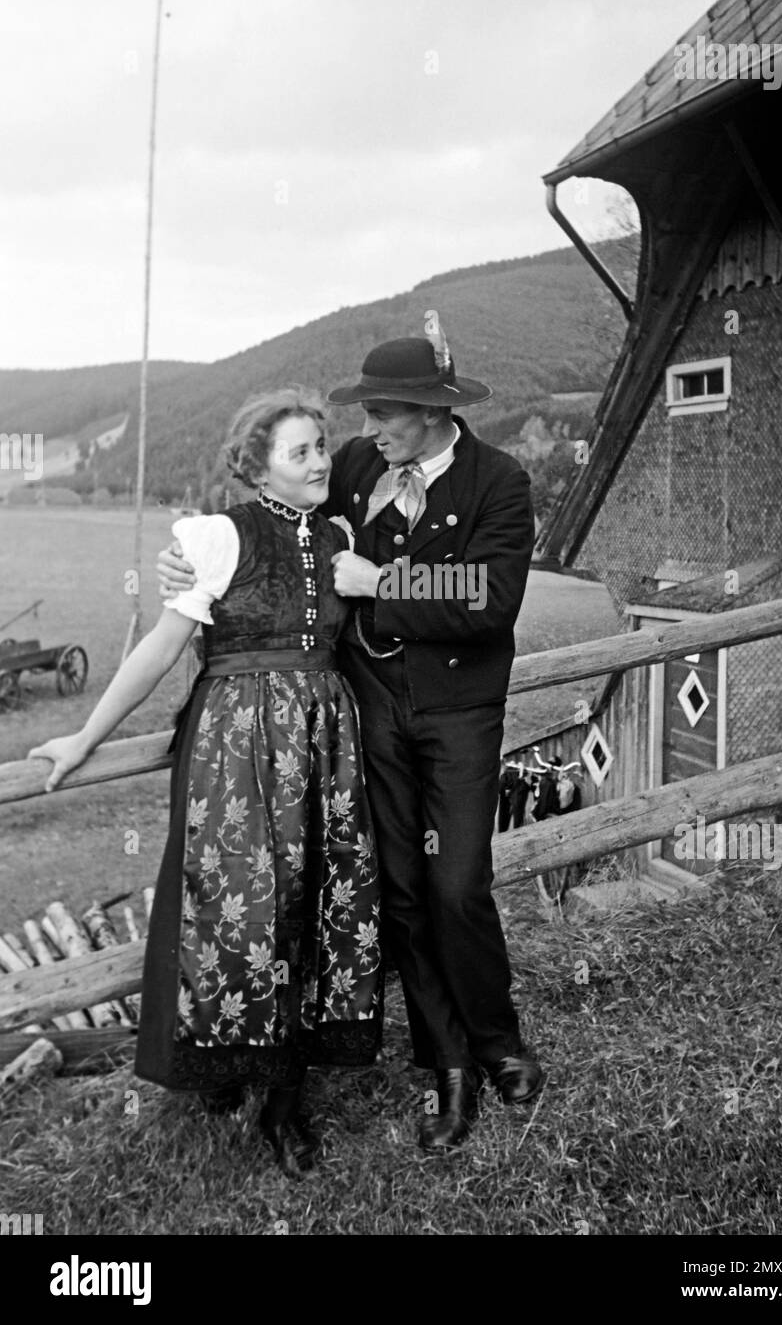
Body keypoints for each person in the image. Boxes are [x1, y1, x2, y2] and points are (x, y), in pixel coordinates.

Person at [159, 316, 544, 1151]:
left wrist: (382, 579)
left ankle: (498, 1040)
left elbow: (488, 601)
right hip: (369, 711)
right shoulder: (364, 467)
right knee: (403, 891)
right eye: (363, 419)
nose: (364, 436)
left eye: (383, 417)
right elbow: (277, 508)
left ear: (433, 413)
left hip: (458, 713)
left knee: (458, 884)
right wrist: (191, 560)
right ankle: (448, 1067)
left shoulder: (500, 482)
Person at [30, 389, 383, 1176]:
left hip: (326, 744)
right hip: (235, 747)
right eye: (301, 452)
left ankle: (287, 1102)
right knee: (238, 909)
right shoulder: (217, 538)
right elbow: (162, 647)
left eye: (322, 445)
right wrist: (86, 737)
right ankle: (226, 1065)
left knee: (314, 910)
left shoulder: (340, 537)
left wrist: (381, 584)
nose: (321, 460)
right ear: (259, 469)